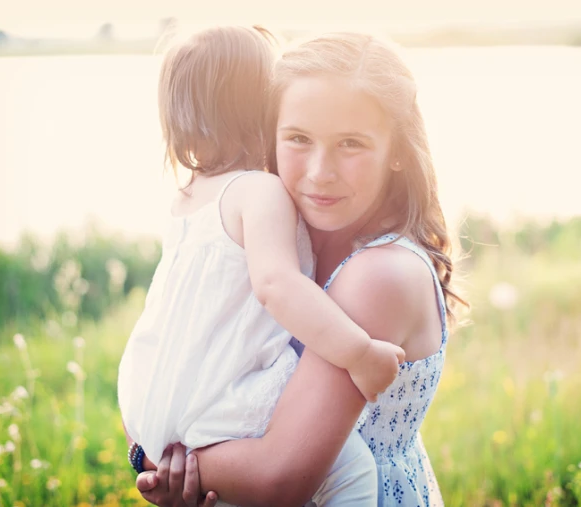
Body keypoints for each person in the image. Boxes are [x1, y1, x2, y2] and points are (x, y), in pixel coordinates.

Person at [133, 31, 464, 507]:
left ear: (397, 150)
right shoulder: (273, 242)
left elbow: (279, 478)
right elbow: (174, 356)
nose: (319, 171)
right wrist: (154, 447)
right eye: (298, 139)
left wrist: (158, 462)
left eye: (351, 143)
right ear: (268, 134)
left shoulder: (381, 274)